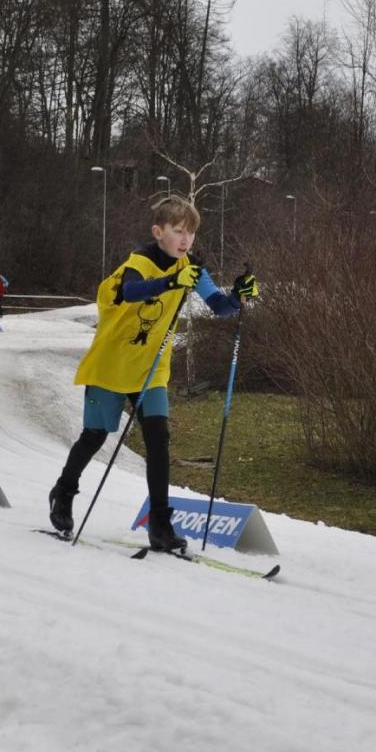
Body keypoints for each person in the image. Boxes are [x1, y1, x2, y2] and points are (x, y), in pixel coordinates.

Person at [47, 196, 258, 551]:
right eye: (178, 231)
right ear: (158, 232)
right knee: (95, 436)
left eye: (191, 232)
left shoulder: (190, 266)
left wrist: (238, 296)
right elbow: (131, 291)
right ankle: (63, 492)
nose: (186, 239)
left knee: (158, 438)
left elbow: (219, 307)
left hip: (152, 368)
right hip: (111, 363)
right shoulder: (140, 261)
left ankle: (160, 523)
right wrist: (172, 283)